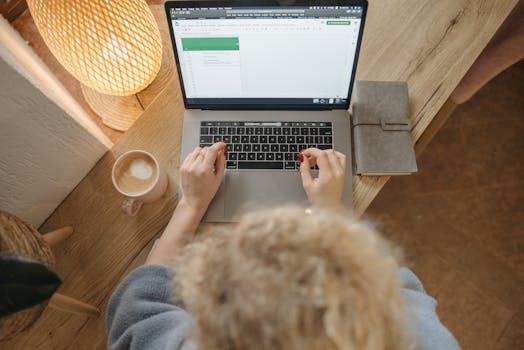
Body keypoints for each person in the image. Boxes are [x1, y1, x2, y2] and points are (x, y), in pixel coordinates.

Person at [106, 142, 460, 350]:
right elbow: (394, 286)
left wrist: (191, 204)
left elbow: (139, 300)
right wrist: (332, 213)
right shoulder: (420, 337)